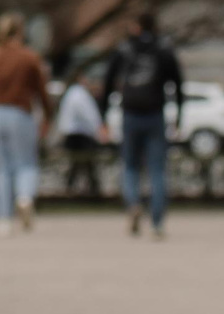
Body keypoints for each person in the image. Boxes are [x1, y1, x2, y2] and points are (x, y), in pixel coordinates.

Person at [101, 12, 185, 238]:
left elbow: (108, 81)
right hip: (155, 114)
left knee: (130, 167)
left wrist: (103, 116)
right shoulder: (163, 49)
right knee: (157, 169)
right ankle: (157, 222)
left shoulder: (124, 49)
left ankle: (134, 204)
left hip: (131, 114)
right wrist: (179, 116)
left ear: (136, 26)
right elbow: (177, 83)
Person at [0, 11, 51, 231]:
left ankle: (3, 219)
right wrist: (47, 116)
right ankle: (24, 197)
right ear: (21, 31)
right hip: (20, 113)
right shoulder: (29, 57)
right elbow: (41, 91)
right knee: (26, 162)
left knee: (1, 168)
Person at [56, 66, 107, 199]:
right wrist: (99, 130)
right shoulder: (79, 93)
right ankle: (93, 189)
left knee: (80, 163)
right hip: (79, 134)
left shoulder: (72, 93)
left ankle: (76, 187)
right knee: (85, 161)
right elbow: (88, 115)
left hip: (74, 133)